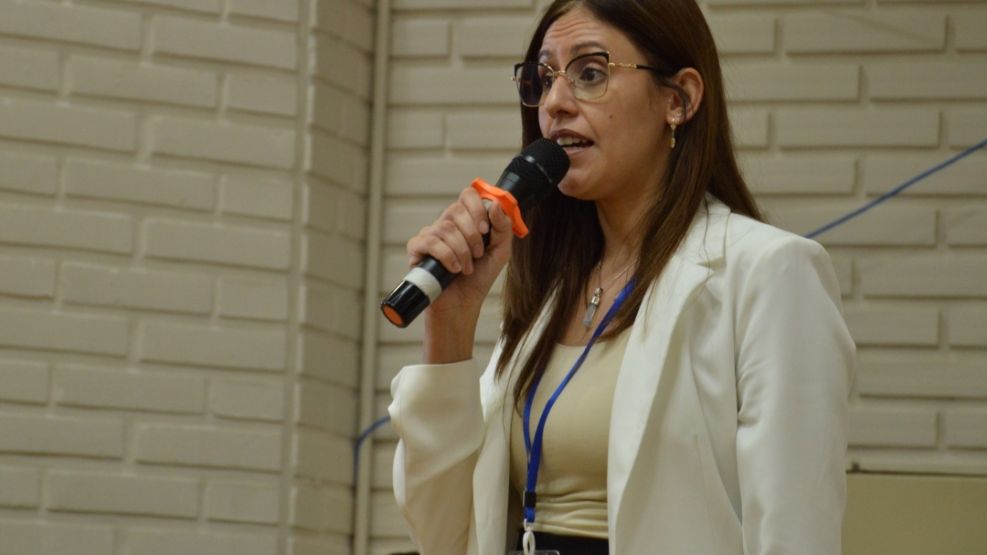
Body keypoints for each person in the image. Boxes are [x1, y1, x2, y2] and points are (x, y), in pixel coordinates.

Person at [387, 1, 855, 554]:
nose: (555, 103)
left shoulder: (769, 274)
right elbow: (443, 537)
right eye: (544, 79)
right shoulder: (552, 294)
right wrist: (451, 322)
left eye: (590, 73)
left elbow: (794, 536)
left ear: (678, 100)